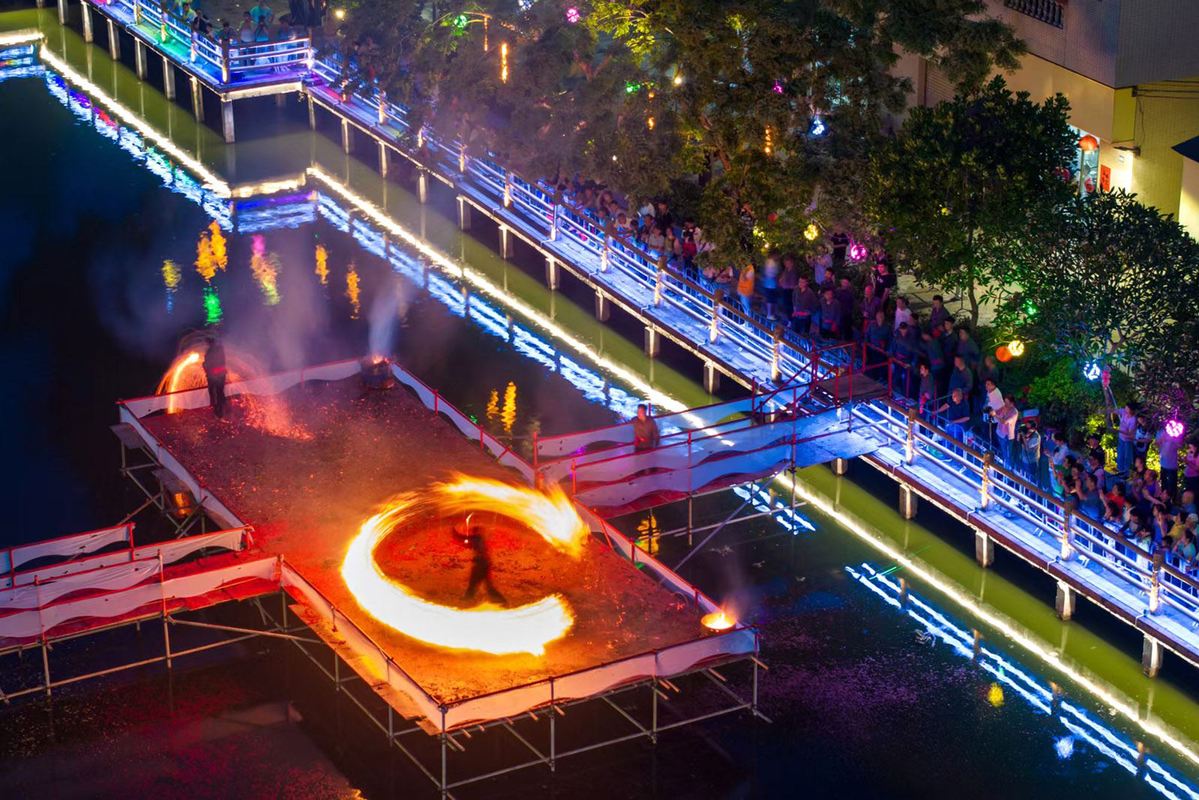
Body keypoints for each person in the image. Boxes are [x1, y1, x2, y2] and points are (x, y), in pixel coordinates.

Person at [463, 523, 506, 605]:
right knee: (485, 585)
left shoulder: (476, 538)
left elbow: (463, 539)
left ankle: (468, 597)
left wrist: (454, 532)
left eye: (473, 531)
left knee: (475, 582)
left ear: (475, 532)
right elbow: (470, 544)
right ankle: (501, 599)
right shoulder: (480, 539)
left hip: (481, 564)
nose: (472, 532)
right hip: (484, 563)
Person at [203, 336, 227, 418]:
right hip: (222, 374)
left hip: (213, 375)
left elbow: (208, 364)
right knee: (220, 391)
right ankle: (223, 407)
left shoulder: (210, 352)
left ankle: (217, 411)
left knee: (213, 392)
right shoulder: (220, 349)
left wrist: (204, 366)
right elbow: (223, 362)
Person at [1158, 423, 1183, 502]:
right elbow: (1156, 444)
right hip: (1163, 464)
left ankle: (1173, 500)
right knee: (1164, 483)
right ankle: (1163, 500)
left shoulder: (1177, 432)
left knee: (1172, 485)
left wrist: (1173, 439)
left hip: (1172, 465)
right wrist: (1161, 439)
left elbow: (1179, 445)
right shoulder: (1161, 433)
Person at [1115, 401, 1138, 477]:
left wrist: (1119, 431)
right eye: (1125, 407)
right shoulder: (1124, 412)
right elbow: (1115, 410)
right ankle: (1120, 471)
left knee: (1127, 457)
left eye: (1127, 408)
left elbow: (1130, 433)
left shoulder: (1133, 420)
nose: (1125, 409)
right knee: (1120, 455)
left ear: (1131, 410)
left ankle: (1126, 474)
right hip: (1121, 438)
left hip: (1128, 440)